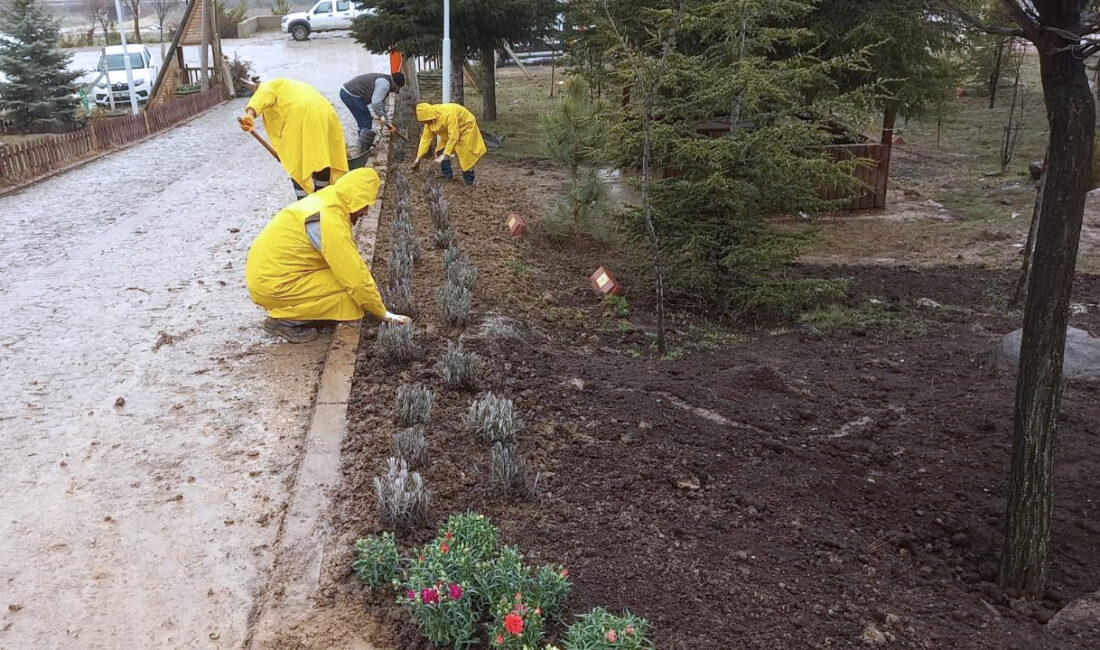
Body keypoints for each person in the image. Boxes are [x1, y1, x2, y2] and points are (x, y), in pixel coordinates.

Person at [245, 167, 412, 344]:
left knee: (352, 288)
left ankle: (306, 312)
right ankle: (283, 320)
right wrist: (383, 313)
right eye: (364, 205)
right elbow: (354, 277)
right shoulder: (328, 220)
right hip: (274, 284)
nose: (366, 212)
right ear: (354, 199)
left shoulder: (329, 200)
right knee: (350, 295)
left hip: (270, 275)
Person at [238, 78, 349, 200]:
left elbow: (260, 99)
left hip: (302, 114)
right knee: (323, 157)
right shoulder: (294, 85)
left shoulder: (268, 86)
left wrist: (249, 115)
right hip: (326, 113)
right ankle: (324, 197)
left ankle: (305, 203)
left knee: (297, 163)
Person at [411, 102, 487, 186]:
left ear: (429, 115)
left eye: (426, 121)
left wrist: (446, 154)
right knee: (440, 151)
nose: (426, 123)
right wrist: (418, 158)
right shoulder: (429, 122)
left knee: (466, 156)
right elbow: (425, 139)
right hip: (450, 133)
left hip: (466, 129)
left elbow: (454, 136)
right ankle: (447, 176)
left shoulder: (448, 114)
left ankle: (469, 181)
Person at [340, 72, 405, 153]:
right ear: (397, 85)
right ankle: (362, 151)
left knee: (365, 120)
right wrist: (381, 116)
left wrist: (387, 121)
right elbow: (376, 103)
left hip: (348, 92)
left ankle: (363, 144)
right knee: (365, 121)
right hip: (350, 94)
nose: (397, 91)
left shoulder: (386, 82)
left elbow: (382, 104)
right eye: (398, 88)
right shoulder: (384, 84)